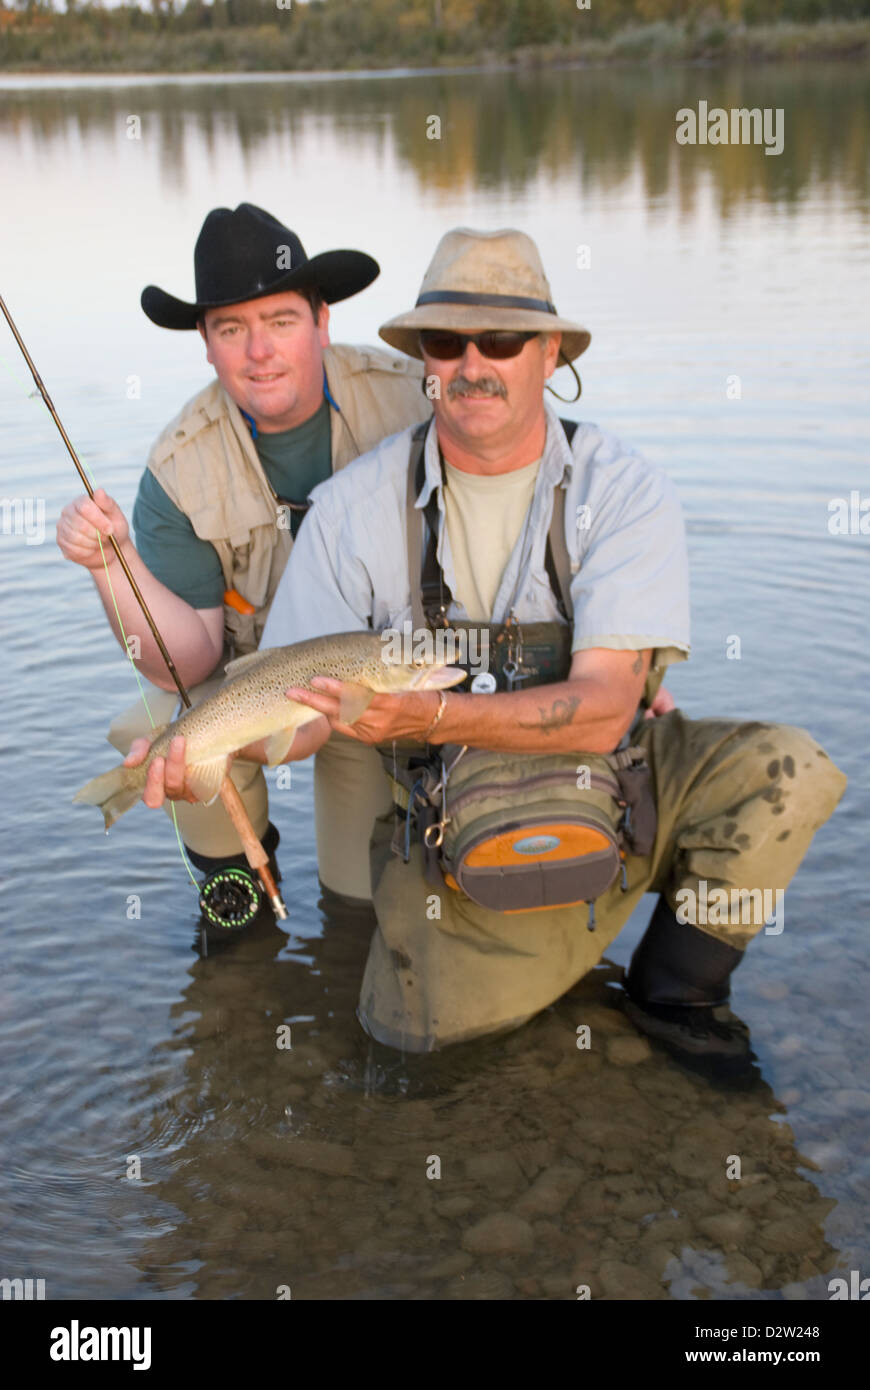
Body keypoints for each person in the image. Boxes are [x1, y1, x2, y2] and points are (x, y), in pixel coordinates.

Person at [130, 227, 847, 1076]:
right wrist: (201, 753)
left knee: (788, 771)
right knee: (407, 1048)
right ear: (423, 364)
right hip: (446, 819)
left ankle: (676, 996)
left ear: (550, 355)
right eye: (447, 341)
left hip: (614, 786)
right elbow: (304, 722)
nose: (474, 362)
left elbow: (608, 706)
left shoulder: (622, 488)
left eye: (501, 340)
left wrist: (433, 708)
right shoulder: (351, 509)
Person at [56, 203, 430, 900]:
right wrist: (112, 564)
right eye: (231, 328)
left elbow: (524, 499)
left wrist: (601, 652)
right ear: (204, 340)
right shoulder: (177, 467)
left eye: (281, 321)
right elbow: (186, 661)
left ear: (322, 321)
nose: (259, 352)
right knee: (165, 722)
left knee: (359, 898)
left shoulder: (415, 400)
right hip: (246, 680)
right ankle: (236, 900)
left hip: (370, 676)